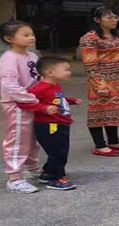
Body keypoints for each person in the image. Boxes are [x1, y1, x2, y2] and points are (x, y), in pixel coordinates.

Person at [80, 6, 119, 156]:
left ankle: (113, 141)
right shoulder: (90, 38)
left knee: (113, 111)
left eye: (115, 17)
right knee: (98, 112)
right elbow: (90, 64)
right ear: (97, 20)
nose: (114, 20)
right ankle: (100, 145)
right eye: (109, 17)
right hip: (101, 80)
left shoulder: (115, 34)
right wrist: (99, 84)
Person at [17, 56, 80, 190]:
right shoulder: (40, 88)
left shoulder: (55, 86)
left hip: (60, 123)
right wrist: (43, 108)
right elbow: (23, 102)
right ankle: (55, 178)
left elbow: (57, 100)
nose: (69, 72)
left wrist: (71, 101)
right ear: (50, 72)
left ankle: (48, 173)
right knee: (58, 151)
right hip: (50, 125)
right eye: (66, 70)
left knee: (59, 150)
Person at [0, 21, 41, 193]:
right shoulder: (8, 59)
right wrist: (30, 98)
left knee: (31, 138)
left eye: (32, 34)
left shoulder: (32, 56)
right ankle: (14, 177)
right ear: (9, 39)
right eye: (25, 35)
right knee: (17, 139)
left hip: (34, 102)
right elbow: (10, 85)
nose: (31, 37)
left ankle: (32, 169)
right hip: (17, 104)